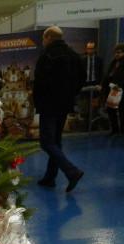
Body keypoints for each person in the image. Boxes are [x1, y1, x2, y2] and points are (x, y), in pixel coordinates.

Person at [33, 26, 86, 193]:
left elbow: (39, 82)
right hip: (64, 105)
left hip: (48, 105)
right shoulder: (74, 55)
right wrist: (70, 95)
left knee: (46, 142)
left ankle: (72, 171)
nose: (43, 42)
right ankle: (50, 177)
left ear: (48, 37)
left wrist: (38, 102)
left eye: (43, 38)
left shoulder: (47, 56)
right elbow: (82, 79)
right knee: (56, 141)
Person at [101, 43, 124, 137]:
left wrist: (120, 84)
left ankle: (122, 131)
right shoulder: (115, 61)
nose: (116, 54)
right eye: (115, 52)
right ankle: (115, 129)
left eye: (119, 52)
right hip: (113, 89)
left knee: (123, 111)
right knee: (111, 110)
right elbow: (108, 74)